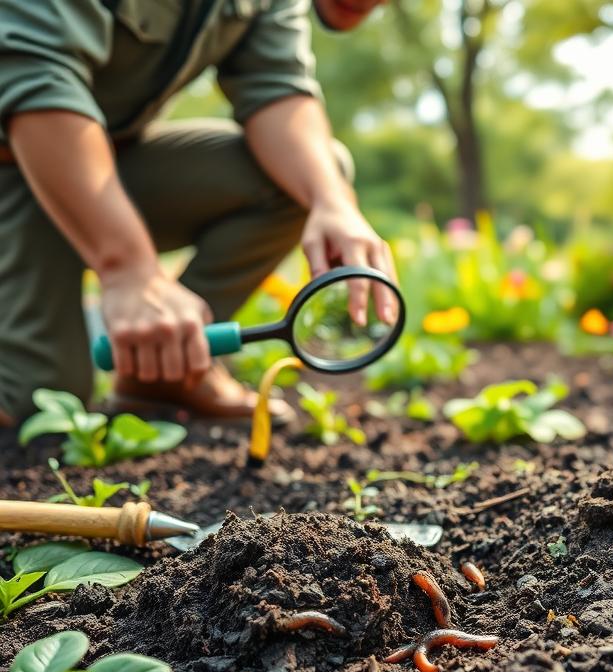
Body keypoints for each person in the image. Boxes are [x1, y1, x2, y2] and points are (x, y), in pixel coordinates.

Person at [0, 0, 397, 428]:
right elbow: (36, 76)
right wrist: (129, 269)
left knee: (313, 177)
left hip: (93, 167)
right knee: (35, 401)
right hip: (17, 160)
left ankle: (162, 373)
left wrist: (332, 201)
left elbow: (277, 87)